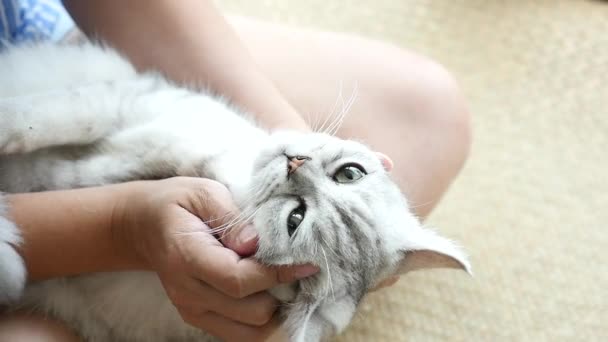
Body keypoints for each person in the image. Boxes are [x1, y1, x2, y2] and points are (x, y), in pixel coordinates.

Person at [0, 0, 471, 341]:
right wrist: (125, 226)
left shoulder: (288, 167)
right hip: (33, 239)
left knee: (429, 113)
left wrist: (283, 133)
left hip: (29, 30)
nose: (298, 167)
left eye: (347, 174)